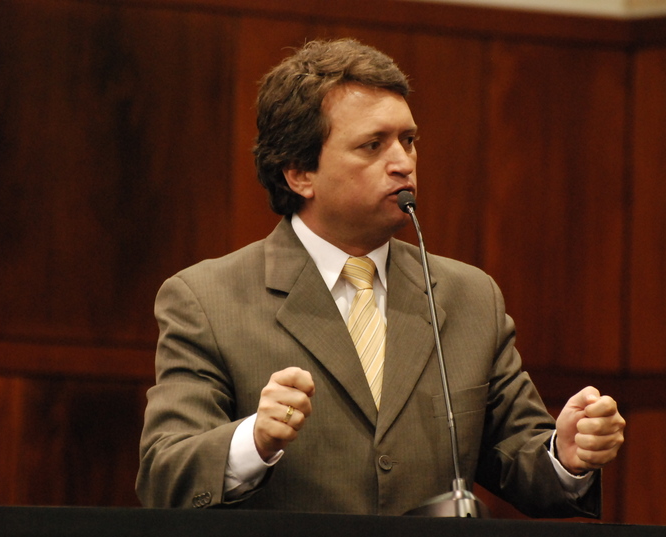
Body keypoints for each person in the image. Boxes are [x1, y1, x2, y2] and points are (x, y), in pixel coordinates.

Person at [136, 38, 625, 517]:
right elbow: (164, 474)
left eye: (408, 141)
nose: (403, 163)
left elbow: (519, 455)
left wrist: (566, 455)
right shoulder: (207, 300)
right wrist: (254, 440)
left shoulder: (470, 297)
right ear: (299, 173)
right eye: (373, 145)